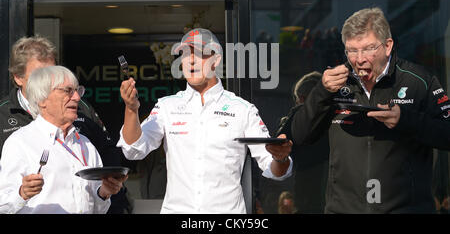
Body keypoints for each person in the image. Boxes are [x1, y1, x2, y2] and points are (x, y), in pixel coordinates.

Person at [291, 7, 450, 213]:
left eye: (368, 49)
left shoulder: (418, 80)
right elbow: (300, 135)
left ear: (387, 46)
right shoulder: (334, 82)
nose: (359, 59)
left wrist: (406, 120)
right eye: (351, 50)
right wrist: (321, 92)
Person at [117, 28, 293, 213]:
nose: (191, 59)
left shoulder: (242, 110)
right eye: (185, 53)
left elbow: (274, 169)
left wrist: (280, 158)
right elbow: (133, 149)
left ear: (216, 60)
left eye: (199, 53)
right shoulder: (167, 107)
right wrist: (131, 109)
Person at [0, 35, 130, 213]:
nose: (76, 98)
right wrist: (21, 194)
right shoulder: (19, 142)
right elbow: (4, 203)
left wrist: (105, 193)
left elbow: (96, 204)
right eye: (67, 91)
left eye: (77, 91)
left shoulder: (85, 143)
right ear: (41, 97)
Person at [276, 71, 329, 214]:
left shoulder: (301, 114)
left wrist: (295, 114)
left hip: (309, 193)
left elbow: (278, 143)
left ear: (303, 98)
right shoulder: (337, 115)